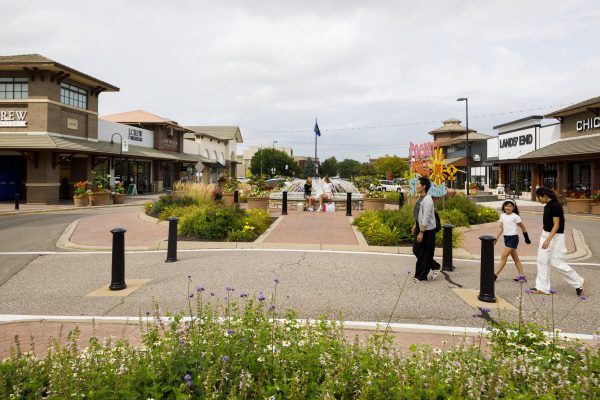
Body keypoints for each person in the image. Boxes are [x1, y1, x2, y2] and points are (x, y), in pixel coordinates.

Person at [530, 187, 584, 296]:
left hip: (555, 237)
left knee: (556, 262)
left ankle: (578, 281)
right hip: (546, 235)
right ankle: (541, 288)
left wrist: (547, 240)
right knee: (542, 261)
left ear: (545, 196)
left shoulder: (555, 206)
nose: (538, 199)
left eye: (539, 197)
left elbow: (557, 225)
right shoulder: (548, 206)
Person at [494, 199, 531, 282]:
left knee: (503, 257)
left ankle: (495, 275)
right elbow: (500, 227)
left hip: (513, 238)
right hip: (506, 238)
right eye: (506, 205)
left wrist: (526, 238)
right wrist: (496, 238)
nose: (508, 207)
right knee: (516, 259)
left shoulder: (515, 216)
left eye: (510, 206)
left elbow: (523, 227)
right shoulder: (503, 215)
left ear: (514, 208)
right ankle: (522, 275)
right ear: (504, 206)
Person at [411, 176, 439, 282]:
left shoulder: (428, 200)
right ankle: (435, 266)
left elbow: (426, 217)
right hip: (420, 226)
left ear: (424, 186)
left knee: (425, 252)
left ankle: (421, 276)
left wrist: (421, 232)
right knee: (416, 250)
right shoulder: (420, 198)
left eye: (418, 184)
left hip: (427, 230)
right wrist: (415, 224)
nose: (416, 186)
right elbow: (419, 214)